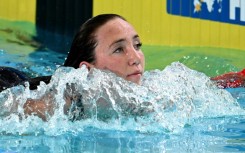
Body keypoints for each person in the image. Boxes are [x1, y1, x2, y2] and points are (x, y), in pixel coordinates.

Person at [0, 14, 244, 121]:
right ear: (87, 70)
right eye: (119, 49)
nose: (135, 57)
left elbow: (191, 87)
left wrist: (231, 80)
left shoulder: (143, 87)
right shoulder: (62, 101)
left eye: (137, 45)